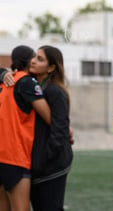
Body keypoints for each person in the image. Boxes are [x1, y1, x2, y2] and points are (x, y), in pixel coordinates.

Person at [0, 45, 51, 211]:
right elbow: (50, 117)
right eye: (34, 57)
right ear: (28, 61)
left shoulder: (3, 84)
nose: (36, 61)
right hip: (15, 156)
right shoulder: (26, 81)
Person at [28, 45, 73, 211]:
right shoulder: (38, 89)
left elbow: (60, 131)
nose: (33, 61)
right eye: (34, 57)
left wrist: (43, 159)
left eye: (40, 59)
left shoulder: (54, 91)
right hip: (41, 167)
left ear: (51, 67)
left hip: (52, 167)